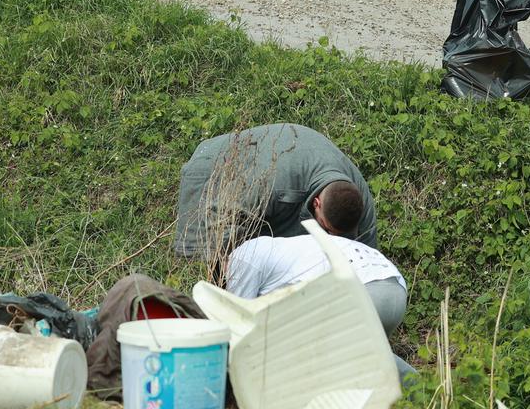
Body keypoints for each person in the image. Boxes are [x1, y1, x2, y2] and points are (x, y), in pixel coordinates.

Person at [173, 123, 376, 258]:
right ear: (317, 203)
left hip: (286, 176)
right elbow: (220, 222)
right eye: (326, 228)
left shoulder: (361, 201)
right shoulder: (268, 183)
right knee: (219, 256)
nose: (330, 236)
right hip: (220, 166)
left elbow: (366, 257)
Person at [224, 232, 408, 338]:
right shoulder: (285, 248)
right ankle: (418, 389)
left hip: (363, 289)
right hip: (395, 287)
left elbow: (240, 324)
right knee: (370, 356)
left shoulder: (241, 257)